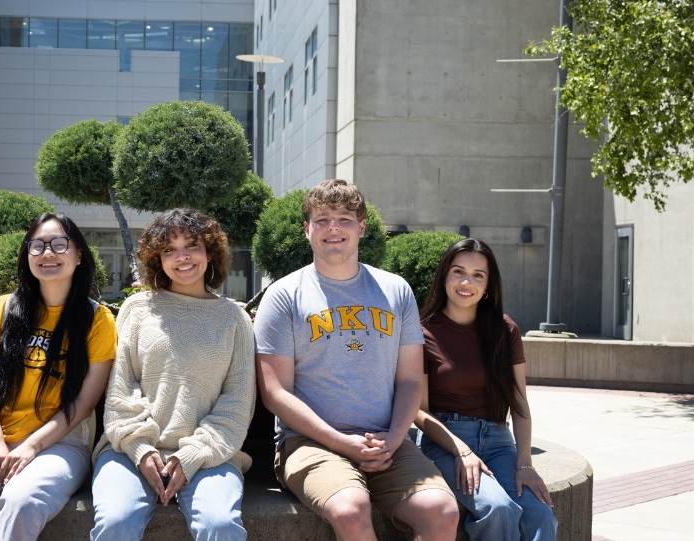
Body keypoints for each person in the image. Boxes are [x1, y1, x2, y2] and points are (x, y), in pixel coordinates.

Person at [253, 179, 459, 541]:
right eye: (322, 219)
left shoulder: (395, 290)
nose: (333, 227)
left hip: (387, 440)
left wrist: (394, 439)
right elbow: (275, 392)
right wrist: (340, 442)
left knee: (441, 511)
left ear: (362, 227)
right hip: (308, 443)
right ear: (307, 230)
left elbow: (411, 379)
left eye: (344, 218)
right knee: (350, 508)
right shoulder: (284, 295)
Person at [0, 213, 117, 540]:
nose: (48, 252)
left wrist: (31, 446)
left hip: (62, 444)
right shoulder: (5, 308)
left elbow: (84, 403)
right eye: (38, 245)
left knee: (21, 502)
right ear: (27, 255)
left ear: (78, 256)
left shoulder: (97, 319)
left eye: (60, 244)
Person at [90, 208, 256, 541]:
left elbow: (237, 401)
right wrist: (142, 449)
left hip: (212, 453)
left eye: (191, 245)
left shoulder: (234, 319)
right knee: (115, 520)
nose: (182, 257)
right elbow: (121, 387)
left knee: (219, 524)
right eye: (169, 249)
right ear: (158, 259)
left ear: (209, 252)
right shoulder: (137, 310)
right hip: (128, 449)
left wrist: (193, 454)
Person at [414, 238, 557, 540]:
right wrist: (460, 449)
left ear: (489, 285)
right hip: (446, 443)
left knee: (541, 514)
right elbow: (419, 411)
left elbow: (519, 404)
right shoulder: (422, 332)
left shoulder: (505, 330)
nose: (467, 282)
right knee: (498, 508)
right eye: (458, 272)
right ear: (445, 276)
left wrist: (525, 463)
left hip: (499, 442)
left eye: (478, 275)